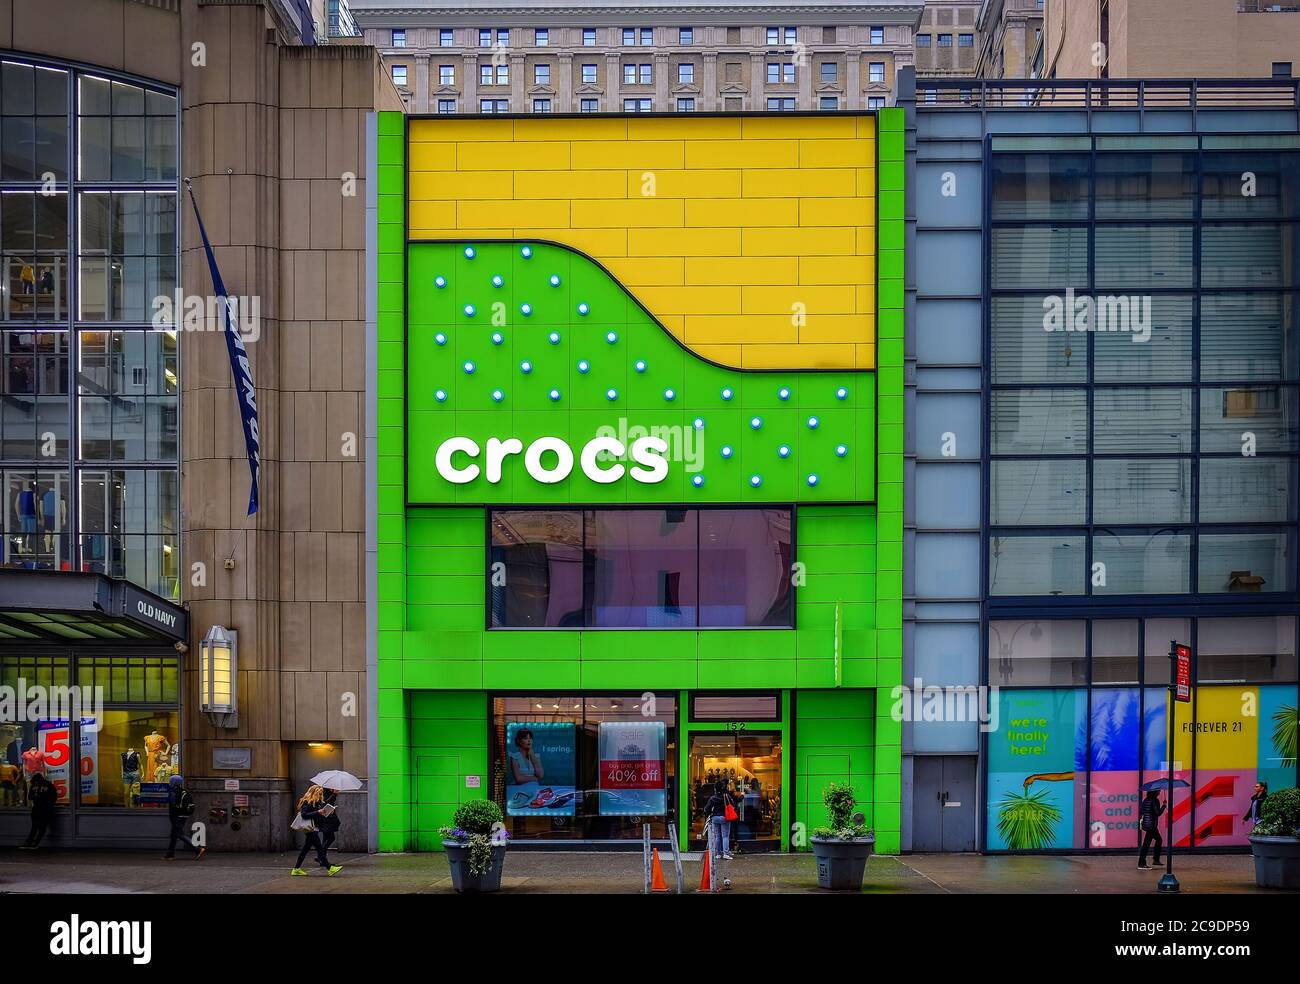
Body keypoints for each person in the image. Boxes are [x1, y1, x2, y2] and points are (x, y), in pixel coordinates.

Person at [291, 784, 342, 876]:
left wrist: (328, 811)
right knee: (319, 848)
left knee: (305, 849)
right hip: (310, 829)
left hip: (313, 828)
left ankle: (296, 869)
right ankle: (330, 868)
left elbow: (320, 811)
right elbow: (304, 815)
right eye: (320, 793)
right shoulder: (307, 802)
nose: (321, 795)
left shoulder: (316, 802)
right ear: (314, 793)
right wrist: (318, 812)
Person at [163, 774, 205, 861]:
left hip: (177, 816)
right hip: (183, 815)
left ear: (173, 782)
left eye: (170, 781)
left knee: (179, 834)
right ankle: (170, 854)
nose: (169, 782)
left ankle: (197, 849)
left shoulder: (173, 792)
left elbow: (173, 807)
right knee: (174, 835)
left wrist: (172, 817)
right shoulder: (182, 791)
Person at [19, 773, 57, 849]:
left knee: (36, 827)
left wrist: (37, 797)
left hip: (39, 809)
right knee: (39, 827)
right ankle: (33, 843)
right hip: (44, 809)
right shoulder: (48, 784)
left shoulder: (37, 785)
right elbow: (54, 796)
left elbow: (30, 797)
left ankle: (30, 843)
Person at [704, 780, 736, 861]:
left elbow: (706, 808)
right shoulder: (726, 796)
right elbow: (733, 805)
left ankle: (718, 853)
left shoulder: (713, 798)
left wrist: (710, 814)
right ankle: (725, 853)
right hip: (724, 817)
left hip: (715, 818)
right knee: (725, 836)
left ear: (715, 789)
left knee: (717, 836)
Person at [1138, 789, 1165, 870]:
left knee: (1157, 840)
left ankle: (1155, 860)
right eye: (1158, 791)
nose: (1159, 792)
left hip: (1147, 824)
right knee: (1148, 844)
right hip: (1151, 825)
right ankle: (1142, 863)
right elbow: (1158, 813)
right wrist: (1164, 805)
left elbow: (1142, 811)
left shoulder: (1145, 800)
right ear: (1155, 792)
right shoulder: (1155, 800)